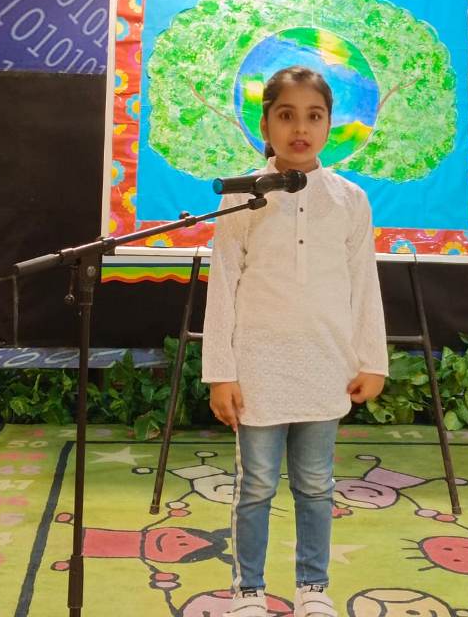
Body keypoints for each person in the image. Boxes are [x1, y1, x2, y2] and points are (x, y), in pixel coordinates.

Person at [202, 65, 389, 617]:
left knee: (315, 484)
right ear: (265, 124)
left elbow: (363, 283)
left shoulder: (350, 199)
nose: (300, 129)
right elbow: (223, 287)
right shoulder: (243, 197)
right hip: (258, 366)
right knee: (256, 485)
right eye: (286, 115)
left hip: (326, 363)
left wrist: (371, 360)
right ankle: (249, 591)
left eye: (314, 116)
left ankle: (313, 587)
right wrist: (221, 372)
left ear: (330, 125)